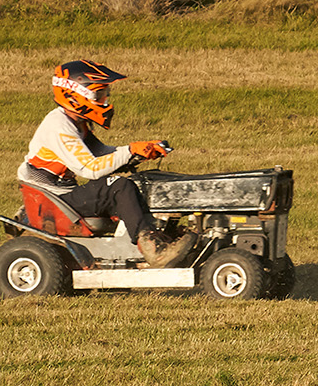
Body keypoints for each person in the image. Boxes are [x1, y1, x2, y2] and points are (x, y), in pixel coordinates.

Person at [20, 59, 195, 267]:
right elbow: (90, 168)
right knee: (118, 186)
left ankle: (164, 234)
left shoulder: (75, 122)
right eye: (99, 94)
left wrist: (140, 152)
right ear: (75, 95)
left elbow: (102, 152)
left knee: (141, 182)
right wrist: (129, 150)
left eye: (105, 94)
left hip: (63, 193)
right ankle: (152, 248)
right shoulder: (59, 127)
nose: (104, 100)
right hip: (56, 199)